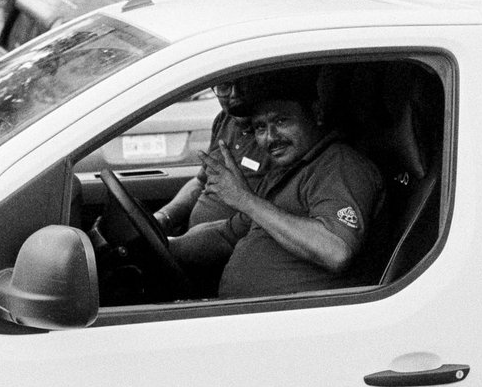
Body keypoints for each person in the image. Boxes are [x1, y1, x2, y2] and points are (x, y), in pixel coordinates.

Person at [170, 72, 384, 299]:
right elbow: (226, 235)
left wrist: (245, 199)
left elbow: (335, 250)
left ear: (316, 113)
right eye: (260, 127)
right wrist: (168, 246)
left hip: (300, 322)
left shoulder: (340, 166)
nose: (270, 138)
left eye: (281, 121)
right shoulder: (284, 174)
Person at [153, 80, 263, 234]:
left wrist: (183, 245)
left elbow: (259, 219)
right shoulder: (224, 120)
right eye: (224, 86)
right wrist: (164, 217)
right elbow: (200, 182)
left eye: (244, 84)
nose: (234, 94)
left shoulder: (273, 139)